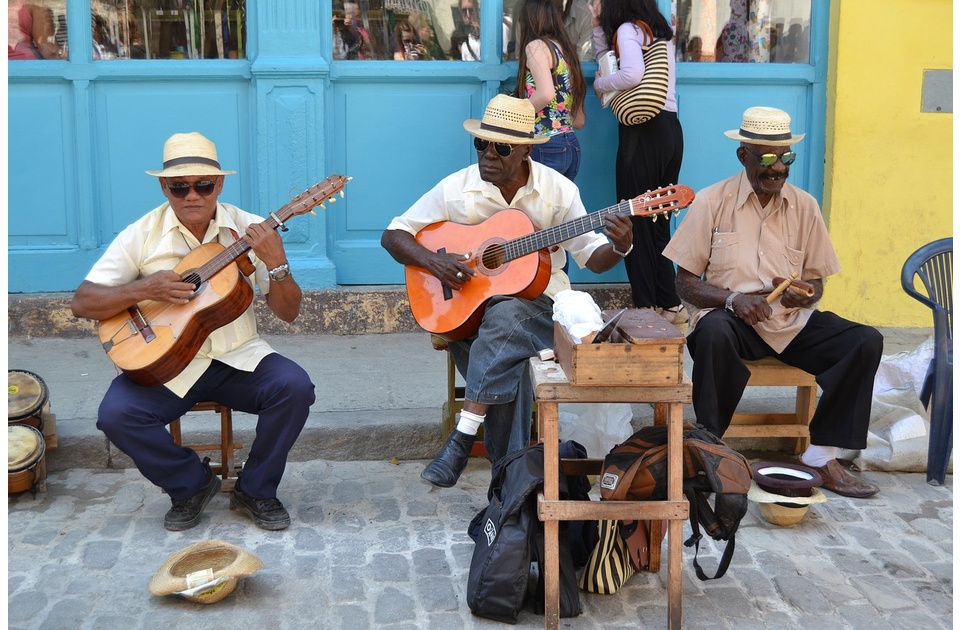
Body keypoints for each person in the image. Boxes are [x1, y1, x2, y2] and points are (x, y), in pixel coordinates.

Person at [380, 95, 633, 488]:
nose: (488, 156)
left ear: (526, 151)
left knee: (509, 315)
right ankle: (509, 486)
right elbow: (394, 234)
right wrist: (436, 263)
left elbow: (591, 256)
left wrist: (619, 246)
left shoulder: (558, 191)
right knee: (507, 356)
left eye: (500, 148)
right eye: (481, 144)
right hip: (469, 316)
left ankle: (465, 439)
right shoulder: (457, 187)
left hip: (541, 309)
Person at [70, 132, 316, 530]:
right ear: (163, 186)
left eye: (203, 184)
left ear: (219, 184)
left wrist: (278, 262)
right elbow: (82, 301)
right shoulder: (143, 233)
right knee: (115, 415)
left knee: (295, 387)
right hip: (168, 365)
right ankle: (190, 484)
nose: (192, 196)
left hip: (238, 358)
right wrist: (145, 288)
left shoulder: (250, 230)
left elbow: (289, 313)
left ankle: (255, 489)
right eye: (178, 186)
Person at [662, 106, 882, 499]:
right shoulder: (712, 201)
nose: (777, 167)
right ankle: (709, 449)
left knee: (864, 341)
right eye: (766, 157)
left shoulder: (805, 206)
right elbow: (685, 283)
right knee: (711, 333)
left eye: (785, 157)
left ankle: (819, 456)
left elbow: (815, 281)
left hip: (789, 324)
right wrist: (733, 299)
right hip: (733, 321)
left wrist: (806, 293)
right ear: (742, 156)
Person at [591, 0, 686, 326]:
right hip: (671, 130)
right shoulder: (657, 33)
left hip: (642, 132)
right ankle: (670, 304)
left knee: (635, 220)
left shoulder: (628, 30)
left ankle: (647, 308)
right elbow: (611, 58)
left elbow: (630, 73)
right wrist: (596, 26)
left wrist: (599, 84)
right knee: (658, 220)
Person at [514, 0, 587, 181]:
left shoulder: (536, 47)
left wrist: (513, 116)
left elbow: (546, 94)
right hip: (570, 144)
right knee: (560, 208)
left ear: (528, 21)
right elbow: (579, 121)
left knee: (537, 207)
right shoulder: (566, 51)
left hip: (545, 143)